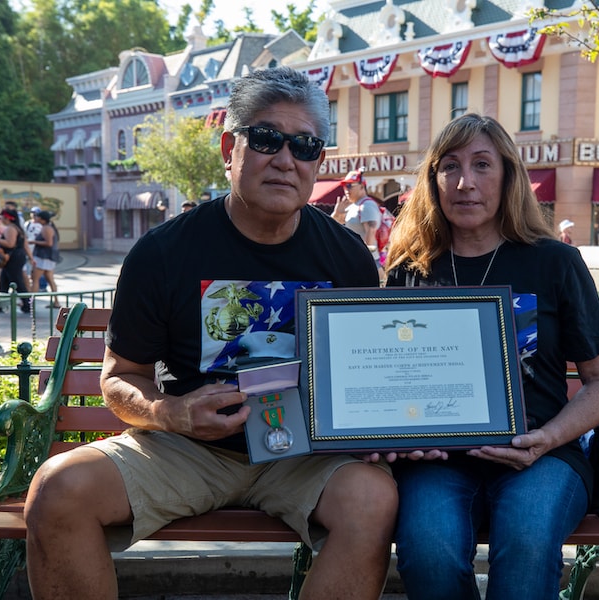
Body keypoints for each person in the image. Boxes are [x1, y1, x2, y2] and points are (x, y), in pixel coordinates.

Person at [22, 66, 397, 600]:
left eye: (306, 146)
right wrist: (168, 413)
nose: (286, 159)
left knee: (374, 499)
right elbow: (121, 378)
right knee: (58, 490)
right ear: (229, 148)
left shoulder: (348, 256)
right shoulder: (162, 252)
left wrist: (388, 429)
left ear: (318, 160)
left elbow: (367, 374)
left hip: (306, 455)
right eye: (266, 138)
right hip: (186, 450)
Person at [382, 113, 599, 599]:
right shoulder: (412, 269)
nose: (465, 182)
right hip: (438, 460)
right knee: (429, 545)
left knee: (527, 539)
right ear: (433, 180)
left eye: (482, 165)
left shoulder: (554, 261)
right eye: (449, 166)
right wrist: (398, 434)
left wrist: (547, 438)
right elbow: (394, 381)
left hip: (542, 457)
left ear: (509, 176)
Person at [0, 208, 35, 312]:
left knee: (17, 281)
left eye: (1, 217)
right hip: (17, 256)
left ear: (7, 218)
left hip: (13, 257)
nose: (0, 219)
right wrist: (30, 257)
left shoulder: (11, 229)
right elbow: (25, 244)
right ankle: (0, 305)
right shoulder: (18, 228)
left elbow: (10, 244)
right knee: (4, 280)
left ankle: (27, 304)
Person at [330, 169, 381, 261]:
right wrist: (336, 213)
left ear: (361, 186)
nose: (346, 190)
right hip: (355, 258)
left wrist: (364, 258)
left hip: (366, 260)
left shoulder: (366, 205)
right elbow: (332, 225)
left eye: (349, 185)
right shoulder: (353, 206)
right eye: (345, 186)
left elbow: (371, 232)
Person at [30, 210, 61, 307]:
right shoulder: (48, 227)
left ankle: (31, 302)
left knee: (35, 279)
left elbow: (49, 243)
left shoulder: (46, 228)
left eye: (38, 217)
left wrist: (34, 242)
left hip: (44, 257)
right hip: (47, 256)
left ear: (42, 219)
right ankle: (56, 301)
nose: (35, 218)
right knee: (50, 279)